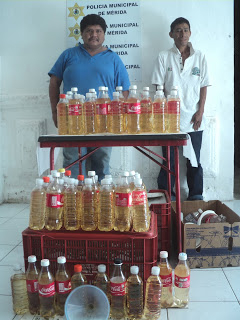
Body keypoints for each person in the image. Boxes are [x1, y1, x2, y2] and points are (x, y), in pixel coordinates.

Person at [48, 14, 130, 180]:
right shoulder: (68, 55)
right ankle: (75, 201)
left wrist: (119, 118)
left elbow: (125, 92)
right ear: (82, 34)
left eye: (98, 31)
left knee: (102, 162)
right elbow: (54, 83)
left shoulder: (113, 58)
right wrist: (55, 112)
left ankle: (100, 199)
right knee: (72, 161)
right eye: (89, 31)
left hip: (104, 120)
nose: (94, 34)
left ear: (104, 34)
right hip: (72, 118)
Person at [151, 17, 210, 200]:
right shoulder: (164, 56)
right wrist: (163, 114)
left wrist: (200, 111)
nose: (182, 33)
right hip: (169, 119)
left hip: (193, 118)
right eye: (178, 30)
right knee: (169, 161)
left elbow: (204, 85)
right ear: (171, 34)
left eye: (185, 30)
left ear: (190, 33)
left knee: (194, 161)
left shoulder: (199, 57)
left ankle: (196, 197)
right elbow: (158, 87)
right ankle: (168, 197)